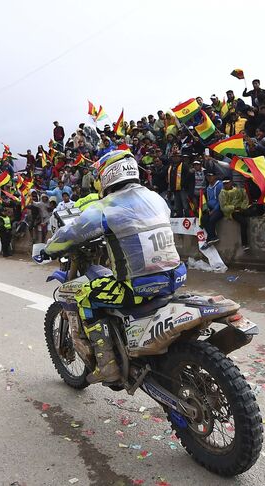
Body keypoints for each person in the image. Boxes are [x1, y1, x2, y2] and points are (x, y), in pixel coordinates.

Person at [43, 150, 184, 384]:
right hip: (175, 276)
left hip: (138, 287)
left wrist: (48, 248)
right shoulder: (155, 198)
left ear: (108, 175)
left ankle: (108, 366)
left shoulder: (107, 206)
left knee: (84, 296)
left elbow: (73, 232)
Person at [218, 178, 253, 252]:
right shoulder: (222, 193)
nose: (226, 185)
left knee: (255, 212)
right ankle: (244, 244)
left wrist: (243, 207)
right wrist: (234, 208)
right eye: (224, 183)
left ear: (231, 182)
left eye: (227, 183)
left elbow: (245, 199)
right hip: (232, 212)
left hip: (242, 209)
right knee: (243, 222)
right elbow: (223, 207)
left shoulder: (238, 190)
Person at [199, 171, 223, 249]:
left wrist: (214, 210)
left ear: (215, 176)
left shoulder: (220, 185)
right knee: (203, 219)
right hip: (211, 208)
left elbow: (221, 200)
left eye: (211, 176)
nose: (209, 178)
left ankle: (209, 240)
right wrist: (208, 209)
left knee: (212, 219)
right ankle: (213, 237)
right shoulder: (208, 188)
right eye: (208, 176)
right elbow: (208, 200)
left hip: (220, 208)